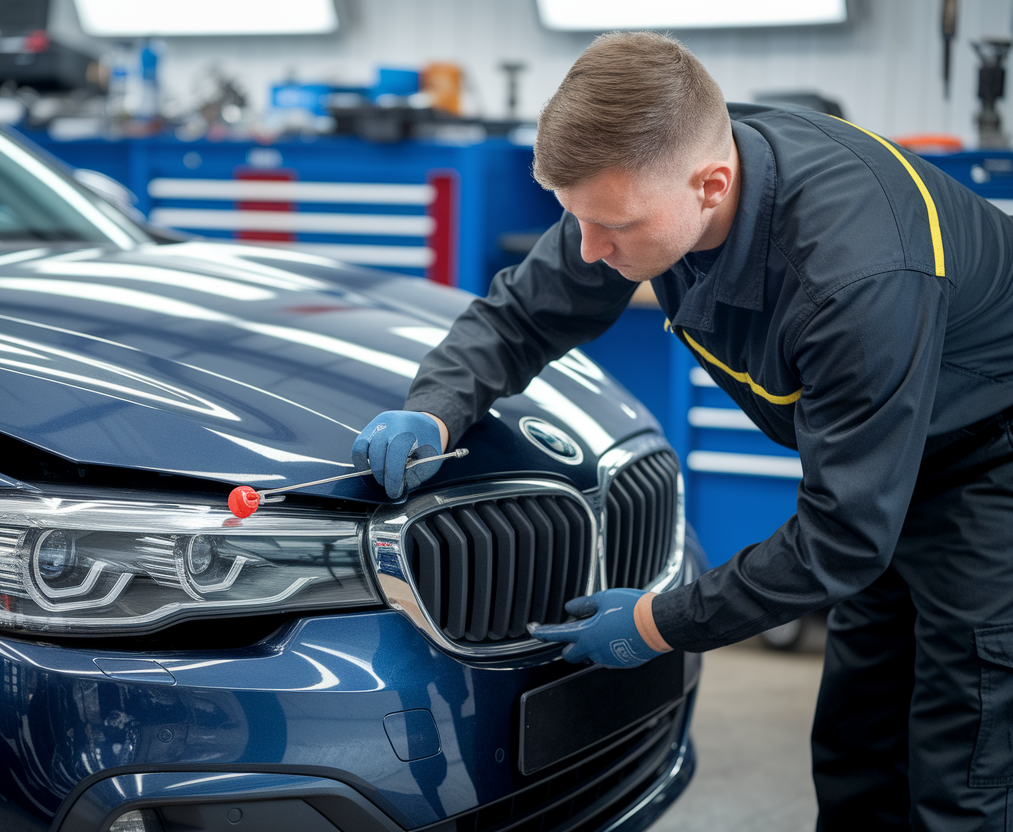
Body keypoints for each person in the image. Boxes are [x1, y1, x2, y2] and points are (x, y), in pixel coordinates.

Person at [350, 31, 1013, 831]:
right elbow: (523, 313)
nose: (590, 251)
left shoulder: (856, 275)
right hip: (888, 454)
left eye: (614, 228)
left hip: (989, 465)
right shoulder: (644, 183)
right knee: (860, 739)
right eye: (577, 220)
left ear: (713, 184)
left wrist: (658, 622)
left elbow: (842, 537)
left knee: (963, 759)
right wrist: (438, 403)